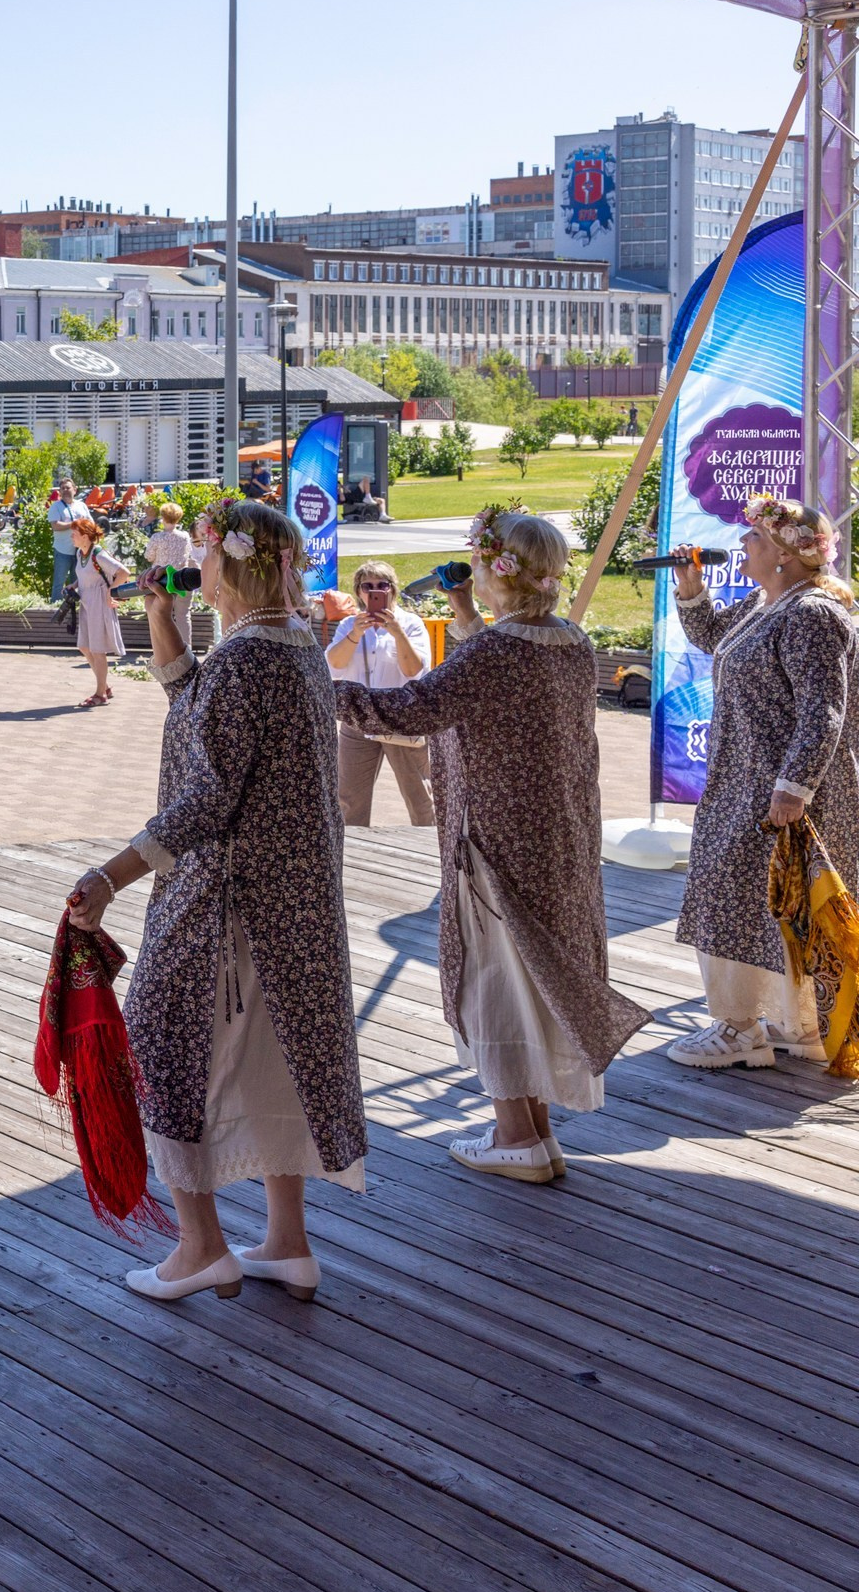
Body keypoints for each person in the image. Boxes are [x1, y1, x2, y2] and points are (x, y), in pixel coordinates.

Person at [66, 498, 365, 1304]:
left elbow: (207, 796)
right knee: (275, 1058)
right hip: (294, 897)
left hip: (228, 897)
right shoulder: (295, 642)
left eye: (202, 554)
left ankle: (200, 1247)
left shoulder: (246, 662)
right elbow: (197, 709)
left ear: (228, 565)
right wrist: (165, 618)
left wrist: (111, 876)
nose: (192, 566)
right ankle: (286, 1242)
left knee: (166, 1045)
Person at [337, 509, 649, 1180]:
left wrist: (319, 688)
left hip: (494, 844)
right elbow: (499, 677)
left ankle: (518, 1137)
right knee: (533, 975)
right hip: (559, 837)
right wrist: (461, 610)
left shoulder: (492, 653)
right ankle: (532, 1129)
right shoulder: (570, 641)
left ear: (494, 569)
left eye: (477, 564)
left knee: (494, 981)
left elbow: (407, 710)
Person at [666, 494, 859, 1069]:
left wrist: (792, 788)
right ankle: (787, 1023)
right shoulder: (766, 601)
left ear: (784, 555)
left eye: (753, 538)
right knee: (757, 901)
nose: (742, 544)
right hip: (745, 778)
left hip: (781, 789)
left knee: (746, 894)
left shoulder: (813, 614)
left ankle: (739, 1027)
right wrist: (691, 584)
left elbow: (824, 708)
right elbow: (711, 637)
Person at [324, 559, 434, 826]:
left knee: (422, 800)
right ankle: (351, 859)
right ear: (360, 592)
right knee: (348, 800)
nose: (375, 590)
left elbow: (414, 671)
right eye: (367, 586)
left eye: (382, 585)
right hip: (357, 722)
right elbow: (333, 667)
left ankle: (435, 856)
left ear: (392, 589)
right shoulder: (349, 624)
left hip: (401, 721)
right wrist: (354, 635)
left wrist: (396, 632)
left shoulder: (410, 623)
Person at [68, 514, 130, 709]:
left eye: (74, 534)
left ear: (85, 536)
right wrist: (74, 585)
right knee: (85, 647)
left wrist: (110, 591)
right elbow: (85, 575)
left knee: (97, 650)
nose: (72, 537)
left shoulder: (98, 554)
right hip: (86, 602)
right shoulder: (81, 554)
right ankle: (105, 686)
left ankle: (99, 694)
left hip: (99, 603)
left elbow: (123, 573)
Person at [46, 483, 79, 603]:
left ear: (75, 490)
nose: (65, 490)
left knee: (79, 581)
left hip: (80, 551)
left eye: (68, 488)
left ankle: (77, 607)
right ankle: (56, 607)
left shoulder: (82, 506)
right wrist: (74, 524)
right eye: (62, 488)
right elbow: (55, 525)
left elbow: (90, 523)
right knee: (59, 583)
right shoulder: (56, 506)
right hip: (62, 551)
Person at [143, 500, 194, 573]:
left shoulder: (157, 537)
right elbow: (188, 554)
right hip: (179, 576)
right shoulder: (185, 536)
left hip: (160, 576)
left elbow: (149, 557)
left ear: (163, 518)